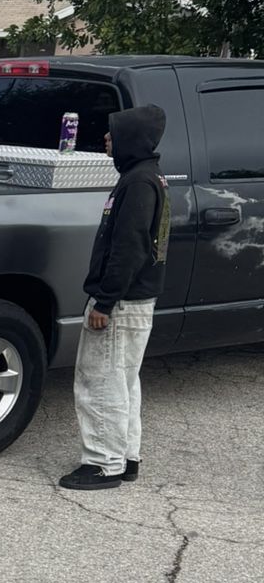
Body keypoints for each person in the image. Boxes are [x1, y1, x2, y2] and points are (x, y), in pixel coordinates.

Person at [59, 104, 171, 491]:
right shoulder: (146, 177)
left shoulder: (138, 183)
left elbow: (130, 248)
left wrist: (105, 302)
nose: (106, 138)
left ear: (132, 138)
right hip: (135, 301)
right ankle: (126, 457)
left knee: (100, 382)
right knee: (123, 382)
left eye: (113, 132)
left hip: (121, 304)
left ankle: (102, 464)